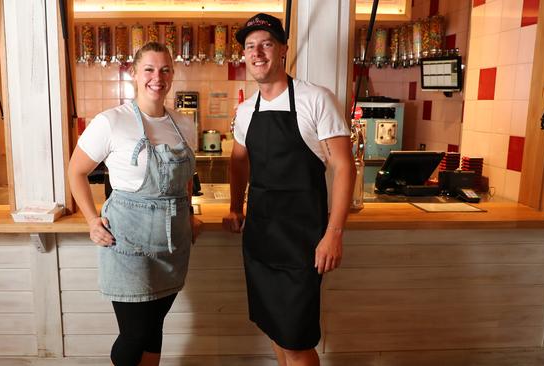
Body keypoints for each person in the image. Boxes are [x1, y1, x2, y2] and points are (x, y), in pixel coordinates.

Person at [222, 13, 355, 366]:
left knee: (296, 340)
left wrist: (334, 233)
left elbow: (344, 165)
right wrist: (236, 207)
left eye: (266, 44)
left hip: (302, 240)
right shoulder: (247, 110)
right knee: (275, 330)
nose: (258, 52)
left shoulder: (316, 99)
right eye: (250, 46)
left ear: (282, 50)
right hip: (261, 237)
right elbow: (239, 160)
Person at [68, 42, 201, 366]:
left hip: (173, 242)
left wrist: (191, 214)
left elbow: (184, 179)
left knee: (155, 324)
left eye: (165, 69)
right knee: (135, 332)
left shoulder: (184, 124)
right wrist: (90, 220)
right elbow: (76, 171)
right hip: (128, 242)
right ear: (134, 74)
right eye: (150, 69)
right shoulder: (111, 121)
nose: (158, 77)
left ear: (172, 74)